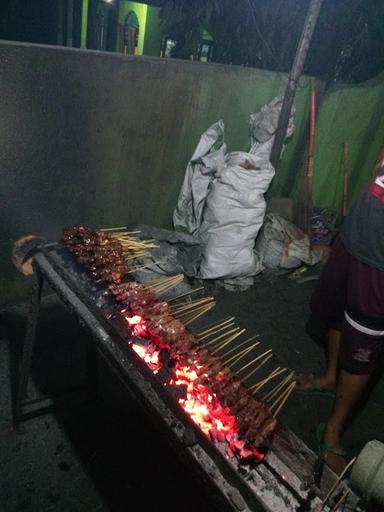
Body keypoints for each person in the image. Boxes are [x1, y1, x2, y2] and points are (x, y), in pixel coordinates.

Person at [295, 158, 384, 473]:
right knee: (336, 307)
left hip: (380, 258)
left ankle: (333, 430)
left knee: (363, 342)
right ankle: (330, 377)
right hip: (357, 229)